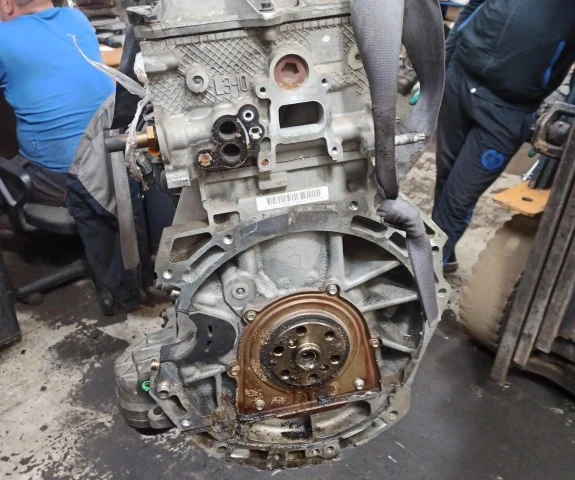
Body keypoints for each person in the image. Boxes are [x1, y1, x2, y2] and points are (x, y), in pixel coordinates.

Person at [432, 0, 575, 273]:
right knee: (445, 176)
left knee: (459, 195)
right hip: (460, 79)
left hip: (508, 110)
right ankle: (441, 254)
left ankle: (425, 268)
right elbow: (474, 7)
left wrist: (565, 120)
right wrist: (443, 64)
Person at [0, 0, 114, 206]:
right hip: (112, 167)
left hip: (63, 181)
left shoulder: (3, 37)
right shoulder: (77, 19)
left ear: (7, 4)